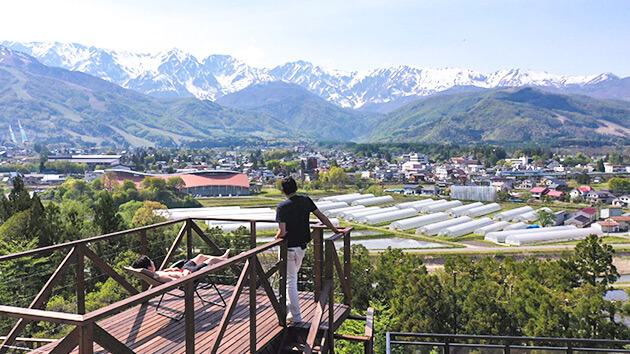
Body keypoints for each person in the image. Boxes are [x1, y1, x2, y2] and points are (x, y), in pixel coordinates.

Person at [275, 176, 340, 323]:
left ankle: (296, 315)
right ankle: (288, 308)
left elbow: (282, 232)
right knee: (292, 277)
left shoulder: (282, 207)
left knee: (290, 280)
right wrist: (335, 229)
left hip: (288, 248)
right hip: (302, 246)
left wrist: (275, 238)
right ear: (296, 188)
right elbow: (321, 217)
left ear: (283, 190)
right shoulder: (306, 200)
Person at [131, 249, 230, 282]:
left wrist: (171, 269)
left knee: (200, 256)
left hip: (183, 270)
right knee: (211, 260)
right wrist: (185, 274)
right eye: (151, 262)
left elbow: (166, 273)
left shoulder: (155, 274)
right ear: (149, 267)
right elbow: (178, 282)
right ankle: (227, 260)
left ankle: (223, 257)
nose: (153, 262)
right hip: (189, 275)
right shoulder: (159, 276)